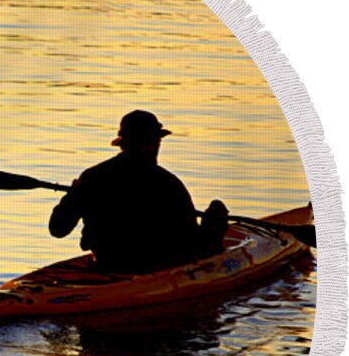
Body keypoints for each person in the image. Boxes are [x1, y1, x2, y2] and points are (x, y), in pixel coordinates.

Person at [49, 110, 229, 273]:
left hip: (107, 262)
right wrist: (212, 226)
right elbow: (191, 242)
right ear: (152, 144)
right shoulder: (168, 184)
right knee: (216, 211)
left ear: (122, 144)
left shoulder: (92, 177)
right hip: (154, 267)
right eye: (156, 141)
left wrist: (73, 197)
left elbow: (57, 228)